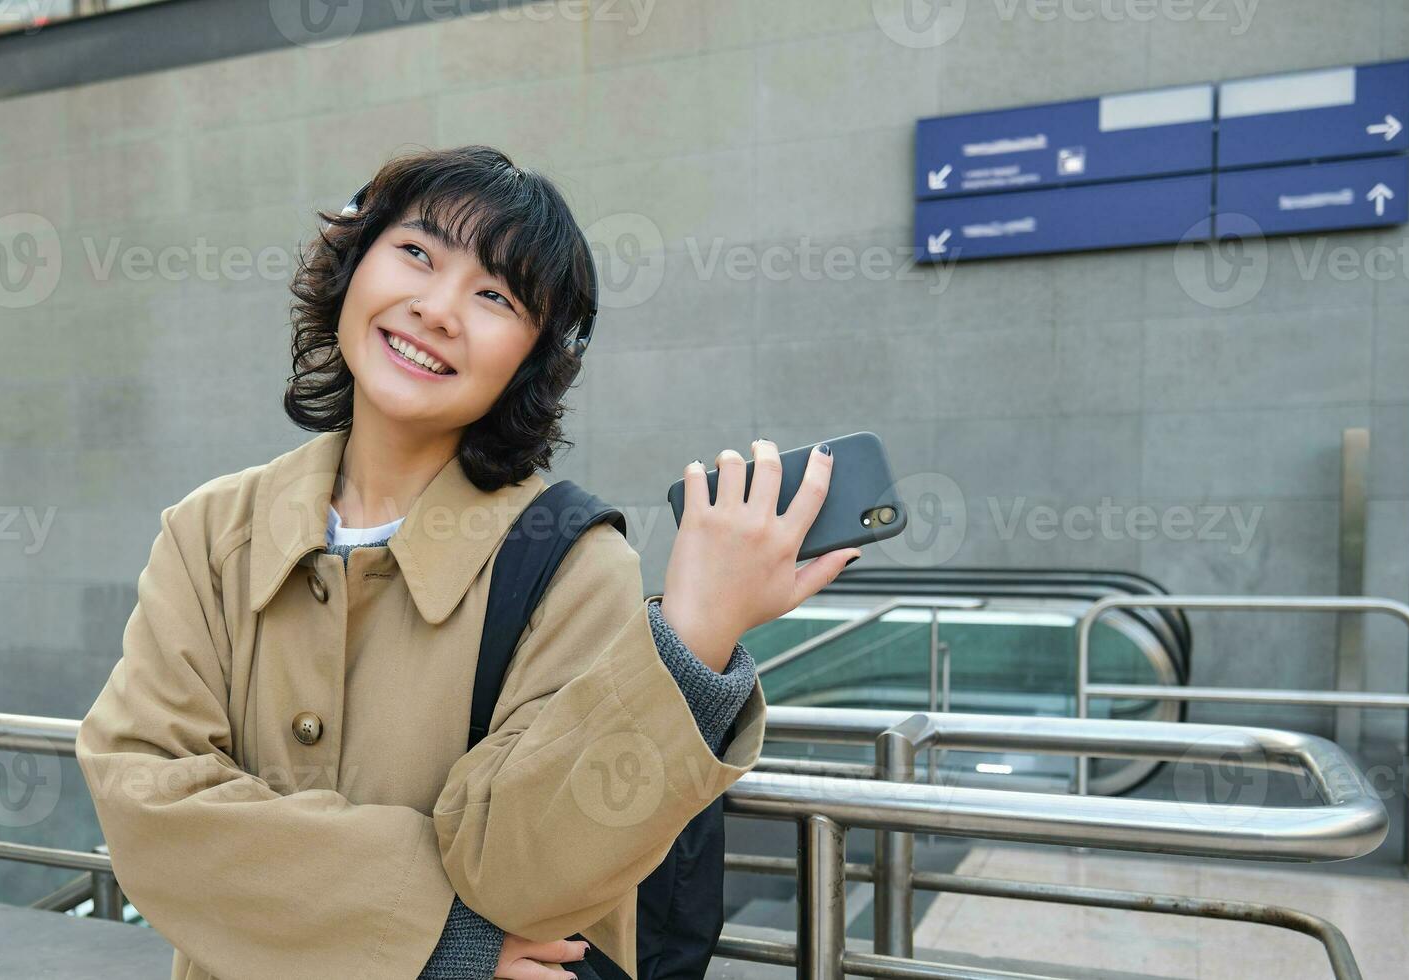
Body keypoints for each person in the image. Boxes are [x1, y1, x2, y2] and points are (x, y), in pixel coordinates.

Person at [76, 146, 860, 980]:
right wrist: (442, 937)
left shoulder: (571, 562)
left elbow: (523, 874)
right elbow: (142, 795)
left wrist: (697, 634)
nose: (437, 308)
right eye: (416, 253)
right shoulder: (209, 532)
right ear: (351, 265)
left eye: (495, 296)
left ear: (531, 357)